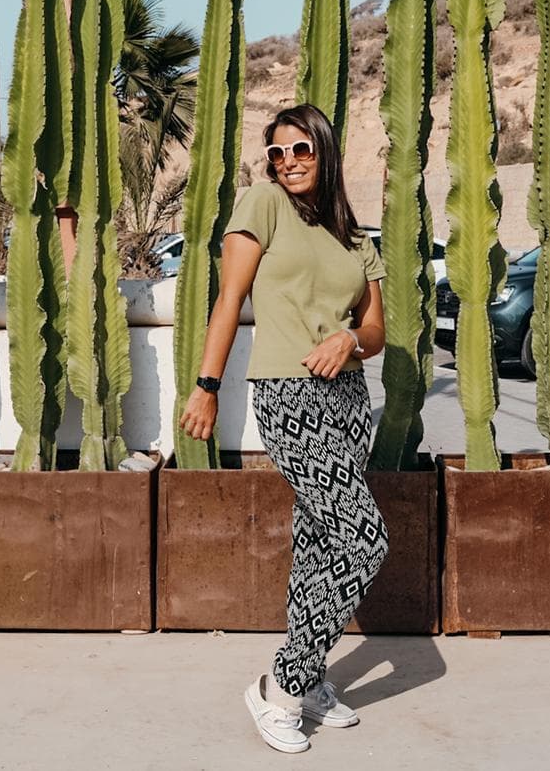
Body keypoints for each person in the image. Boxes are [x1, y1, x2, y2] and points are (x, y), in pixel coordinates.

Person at [178, 103, 390, 755]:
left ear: (325, 151)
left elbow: (376, 330)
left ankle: (313, 678)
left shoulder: (355, 236)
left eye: (301, 149)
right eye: (278, 152)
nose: (289, 161)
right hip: (288, 395)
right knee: (366, 542)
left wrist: (349, 339)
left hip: (348, 397)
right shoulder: (263, 204)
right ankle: (282, 685)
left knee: (321, 544)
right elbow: (229, 299)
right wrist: (207, 385)